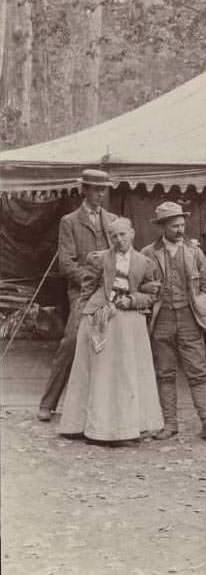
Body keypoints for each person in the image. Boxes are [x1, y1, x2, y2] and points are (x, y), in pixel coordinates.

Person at [58, 218, 164, 445]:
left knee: (125, 372)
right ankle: (93, 427)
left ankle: (125, 428)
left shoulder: (144, 262)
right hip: (100, 318)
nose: (118, 239)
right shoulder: (99, 259)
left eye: (123, 234)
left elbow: (152, 295)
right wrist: (82, 316)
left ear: (132, 233)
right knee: (101, 373)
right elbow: (86, 290)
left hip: (128, 322)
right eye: (114, 236)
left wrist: (131, 300)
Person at [141, 202, 206, 442]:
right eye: (174, 226)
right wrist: (148, 290)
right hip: (162, 320)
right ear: (162, 227)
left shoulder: (195, 252)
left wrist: (202, 306)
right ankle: (170, 424)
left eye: (182, 225)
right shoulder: (148, 253)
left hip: (189, 319)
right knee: (165, 373)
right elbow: (139, 285)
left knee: (198, 372)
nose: (180, 230)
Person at [38, 169, 118, 422]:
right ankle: (48, 404)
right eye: (96, 189)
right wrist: (91, 281)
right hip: (82, 293)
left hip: (109, 292)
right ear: (84, 190)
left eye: (103, 189)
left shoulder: (113, 221)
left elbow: (120, 256)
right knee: (72, 341)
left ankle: (105, 408)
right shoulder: (69, 222)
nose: (100, 194)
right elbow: (66, 263)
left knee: (112, 342)